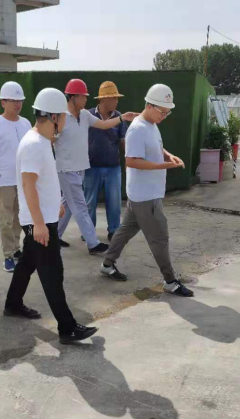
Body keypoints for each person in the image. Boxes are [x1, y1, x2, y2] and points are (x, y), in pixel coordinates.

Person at [4, 88, 99, 344]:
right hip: (39, 223)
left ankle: (12, 303)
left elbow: (42, 181)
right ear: (54, 117)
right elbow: (28, 185)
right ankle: (67, 328)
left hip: (42, 218)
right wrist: (39, 223)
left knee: (27, 264)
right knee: (52, 273)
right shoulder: (34, 144)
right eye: (64, 116)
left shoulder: (42, 140)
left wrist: (55, 203)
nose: (66, 121)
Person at [99, 84, 194, 295]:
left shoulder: (151, 124)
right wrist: (164, 165)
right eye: (162, 112)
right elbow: (131, 161)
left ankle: (107, 264)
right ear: (149, 106)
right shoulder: (137, 129)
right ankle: (170, 281)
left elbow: (155, 146)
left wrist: (168, 155)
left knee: (124, 231)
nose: (164, 116)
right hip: (146, 196)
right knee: (160, 238)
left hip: (141, 193)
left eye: (167, 113)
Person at [55, 78, 138, 254]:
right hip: (66, 169)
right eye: (83, 96)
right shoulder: (61, 117)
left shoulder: (85, 115)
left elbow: (103, 125)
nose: (86, 99)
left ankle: (54, 236)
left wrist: (122, 117)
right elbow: (50, 139)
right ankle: (93, 243)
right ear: (73, 97)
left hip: (80, 169)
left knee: (68, 205)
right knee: (81, 207)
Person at [0, 81, 32, 272]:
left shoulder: (26, 123)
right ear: (3, 102)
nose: (17, 104)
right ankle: (8, 255)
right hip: (3, 180)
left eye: (20, 101)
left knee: (20, 218)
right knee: (5, 220)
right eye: (13, 100)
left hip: (22, 180)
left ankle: (15, 248)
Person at [83, 81, 128, 243]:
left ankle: (114, 231)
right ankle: (88, 232)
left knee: (114, 203)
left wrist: (129, 159)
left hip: (113, 168)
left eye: (116, 98)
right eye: (113, 98)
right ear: (103, 99)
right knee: (89, 203)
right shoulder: (88, 115)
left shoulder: (119, 117)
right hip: (91, 167)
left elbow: (123, 141)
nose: (116, 101)